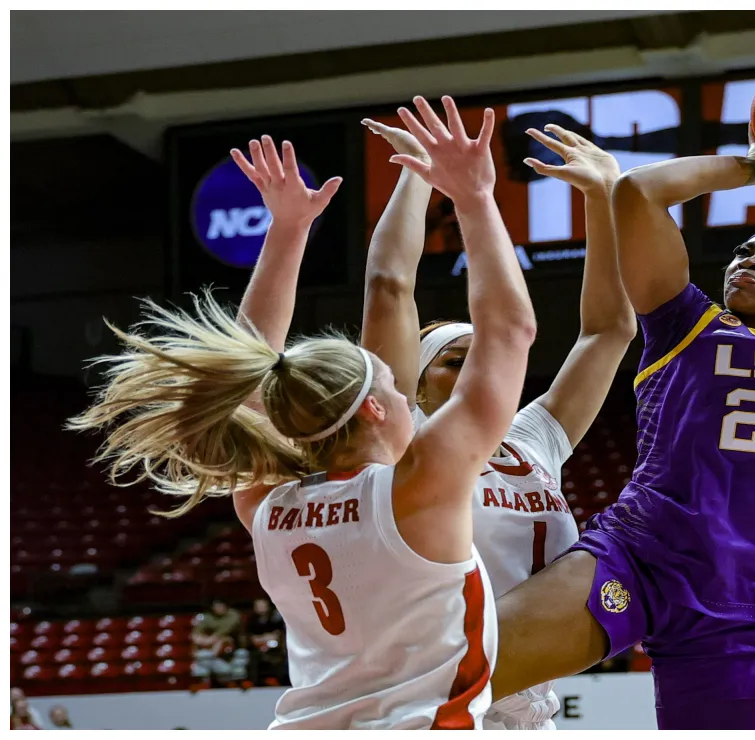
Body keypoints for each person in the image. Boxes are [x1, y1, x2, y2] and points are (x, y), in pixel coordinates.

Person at [68, 96, 536, 729]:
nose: (406, 396)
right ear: (375, 408)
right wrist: (476, 198)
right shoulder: (419, 487)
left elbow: (249, 373)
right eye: (393, 388)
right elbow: (508, 331)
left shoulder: (268, 504)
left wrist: (287, 230)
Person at [491, 46, 755, 730]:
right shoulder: (685, 325)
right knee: (449, 672)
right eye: (743, 250)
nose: (748, 260)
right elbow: (637, 193)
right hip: (641, 554)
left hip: (750, 599)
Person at [362, 114, 633, 730]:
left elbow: (609, 331)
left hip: (529, 703)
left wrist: (602, 198)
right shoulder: (397, 440)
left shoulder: (531, 438)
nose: (476, 369)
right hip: (432, 693)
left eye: (482, 356)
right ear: (413, 386)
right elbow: (388, 289)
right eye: (453, 361)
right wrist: (417, 177)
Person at [189, 599, 249, 687]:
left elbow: (225, 631)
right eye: (216, 606)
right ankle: (203, 685)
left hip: (234, 649)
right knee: (202, 656)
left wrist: (214, 640)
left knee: (242, 655)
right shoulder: (208, 617)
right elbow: (196, 635)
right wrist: (207, 641)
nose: (219, 608)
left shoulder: (234, 615)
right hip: (214, 651)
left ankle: (238, 683)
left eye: (221, 605)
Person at [247, 597, 288, 686]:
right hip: (257, 648)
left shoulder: (275, 619)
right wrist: (264, 639)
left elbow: (277, 636)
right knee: (253, 657)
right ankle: (254, 683)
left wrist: (267, 643)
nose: (261, 608)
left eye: (263, 605)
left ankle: (280, 681)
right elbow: (253, 638)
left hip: (275, 647)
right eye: (258, 606)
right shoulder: (251, 621)